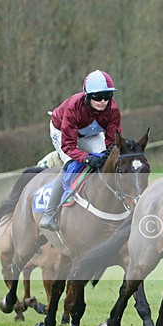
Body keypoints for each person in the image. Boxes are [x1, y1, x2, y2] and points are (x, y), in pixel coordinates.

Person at [39, 70, 121, 232]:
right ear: (87, 96)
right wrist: (87, 159)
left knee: (106, 161)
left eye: (107, 96)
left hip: (91, 133)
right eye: (98, 97)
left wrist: (107, 154)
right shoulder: (73, 108)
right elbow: (68, 145)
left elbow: (113, 141)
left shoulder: (113, 109)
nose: (103, 101)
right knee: (71, 165)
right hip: (63, 132)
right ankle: (49, 213)